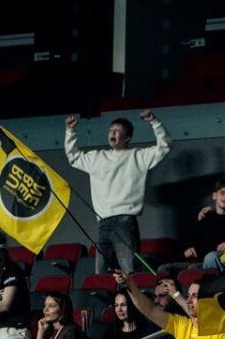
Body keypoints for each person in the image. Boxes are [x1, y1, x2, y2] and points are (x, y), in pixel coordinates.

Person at [65, 110, 171, 274]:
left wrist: (154, 122)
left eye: (117, 130)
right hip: (103, 222)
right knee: (101, 274)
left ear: (127, 137)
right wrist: (70, 131)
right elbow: (73, 157)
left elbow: (164, 146)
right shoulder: (97, 157)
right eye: (110, 130)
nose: (112, 133)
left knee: (130, 270)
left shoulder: (138, 156)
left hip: (125, 221)